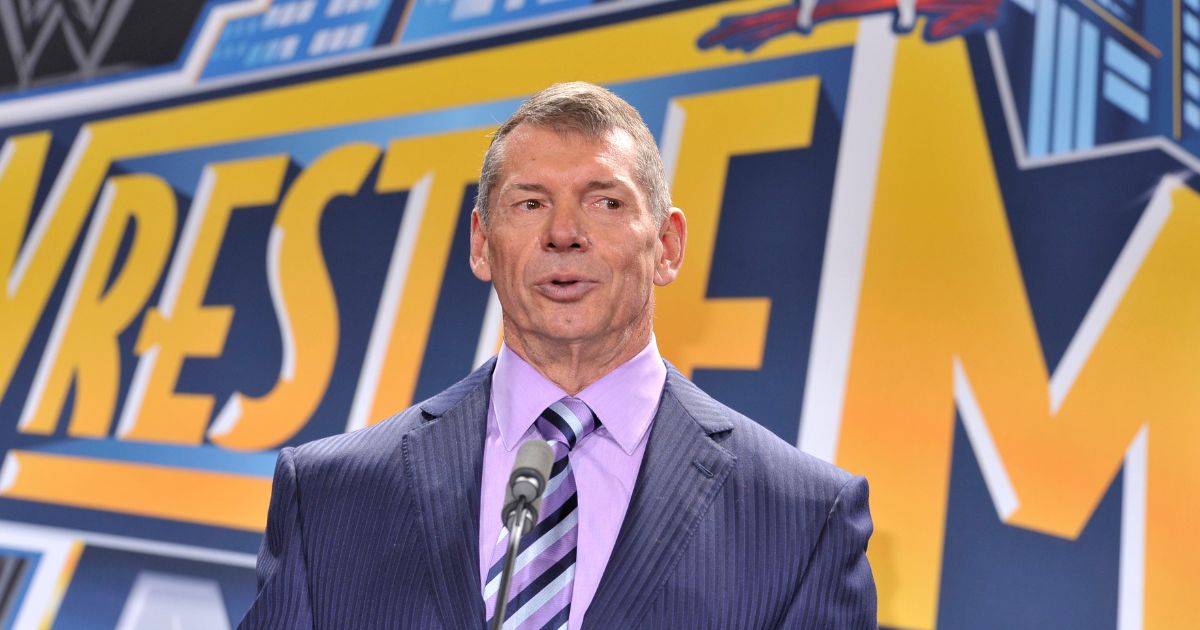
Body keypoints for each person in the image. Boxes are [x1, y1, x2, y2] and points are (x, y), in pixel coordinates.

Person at [238, 82, 876, 629]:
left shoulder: (803, 521)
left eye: (605, 202)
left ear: (668, 246)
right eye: (531, 203)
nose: (564, 234)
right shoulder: (328, 497)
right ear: (483, 245)